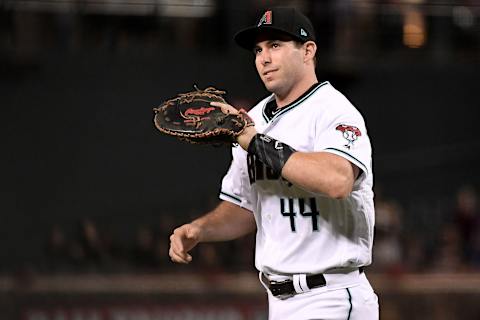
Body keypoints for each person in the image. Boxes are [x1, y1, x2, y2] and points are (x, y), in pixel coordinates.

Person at [169, 7, 379, 320]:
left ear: (308, 51)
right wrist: (200, 229)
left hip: (331, 296)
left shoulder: (334, 111)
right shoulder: (250, 121)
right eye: (258, 50)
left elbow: (337, 181)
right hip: (278, 302)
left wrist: (254, 141)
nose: (264, 58)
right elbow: (244, 207)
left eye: (276, 46)